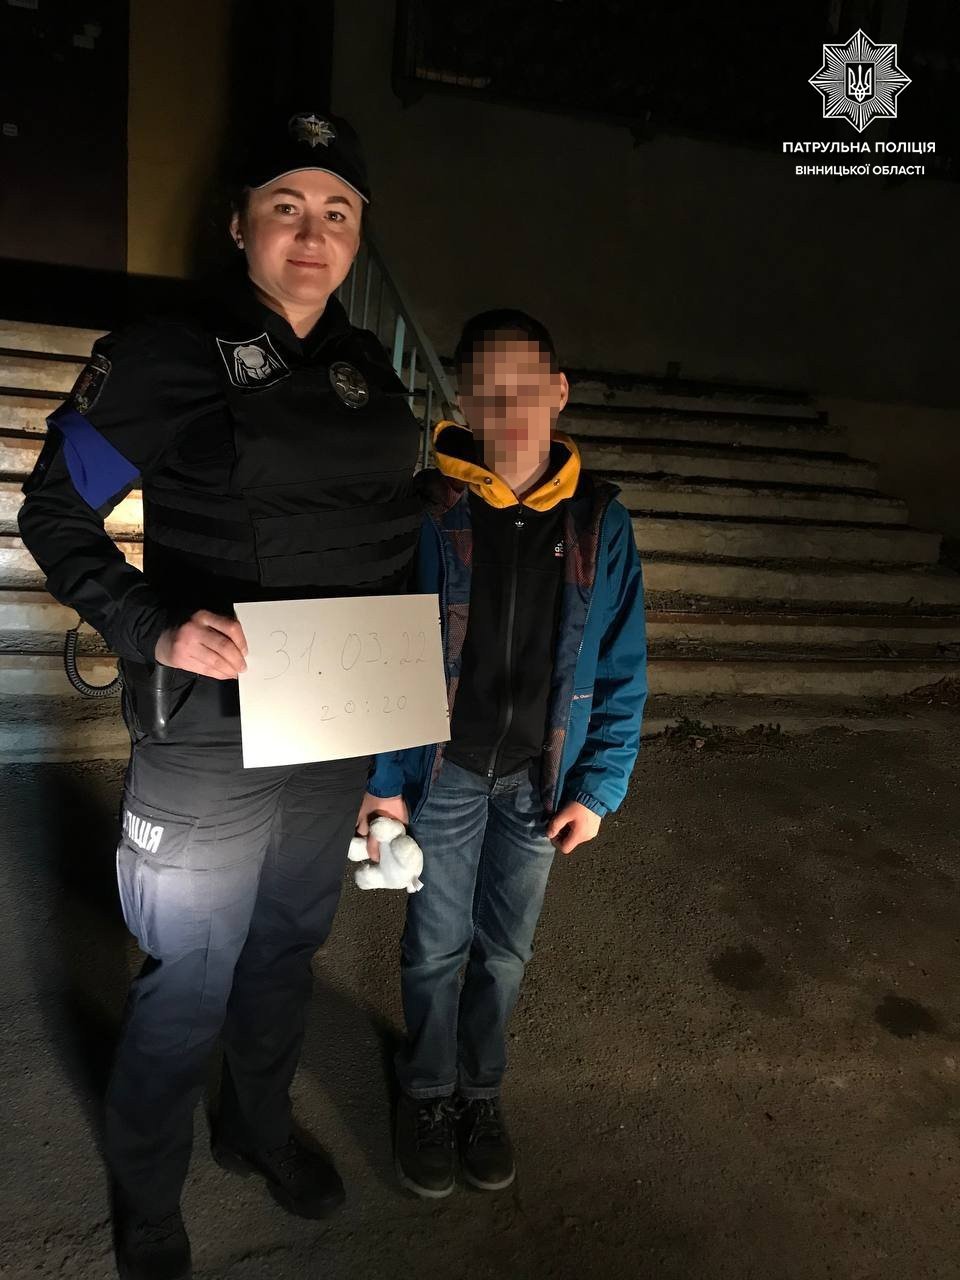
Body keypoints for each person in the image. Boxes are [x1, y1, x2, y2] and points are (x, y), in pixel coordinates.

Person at [18, 111, 422, 1280]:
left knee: (286, 948)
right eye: (286, 206)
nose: (313, 233)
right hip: (205, 735)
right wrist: (150, 622)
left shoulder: (369, 377)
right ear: (239, 224)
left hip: (326, 728)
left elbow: (388, 563)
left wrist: (385, 760)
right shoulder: (166, 354)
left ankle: (254, 1126)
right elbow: (53, 511)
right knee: (186, 974)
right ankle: (149, 1193)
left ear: (358, 236)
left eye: (337, 211)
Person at [362, 309, 648, 1198]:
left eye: (526, 388)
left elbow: (623, 663)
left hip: (538, 784)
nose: (509, 408)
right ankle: (427, 1092)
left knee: (506, 952)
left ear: (558, 392)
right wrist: (384, 783)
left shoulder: (600, 522)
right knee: (434, 945)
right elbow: (382, 648)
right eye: (488, 391)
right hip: (443, 776)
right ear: (465, 402)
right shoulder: (429, 511)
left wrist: (598, 788)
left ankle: (480, 1091)